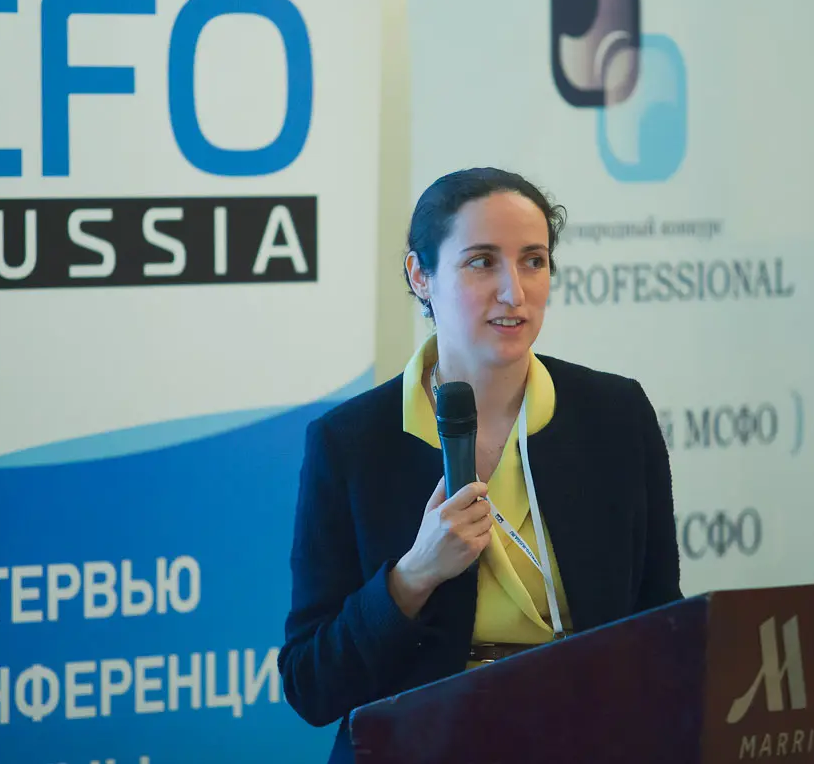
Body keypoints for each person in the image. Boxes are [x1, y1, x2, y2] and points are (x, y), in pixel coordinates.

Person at [277, 167, 683, 763]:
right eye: (482, 262)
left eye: (533, 261)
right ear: (420, 275)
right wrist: (411, 577)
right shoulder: (352, 443)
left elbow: (664, 628)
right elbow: (310, 684)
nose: (514, 292)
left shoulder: (615, 415)